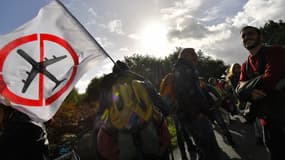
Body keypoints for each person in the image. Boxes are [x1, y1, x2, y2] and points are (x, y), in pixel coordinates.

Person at [237, 25, 285, 160]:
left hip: (282, 111)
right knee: (273, 149)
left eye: (250, 33)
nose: (246, 37)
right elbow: (238, 89)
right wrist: (247, 91)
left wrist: (247, 89)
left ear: (261, 37)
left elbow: (271, 78)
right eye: (243, 36)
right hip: (266, 116)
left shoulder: (275, 51)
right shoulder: (244, 65)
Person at [173, 48, 221, 160]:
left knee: (204, 148)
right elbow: (184, 94)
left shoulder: (185, 68)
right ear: (185, 56)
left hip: (195, 115)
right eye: (192, 54)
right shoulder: (183, 69)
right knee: (208, 148)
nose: (195, 56)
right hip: (195, 116)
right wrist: (196, 113)